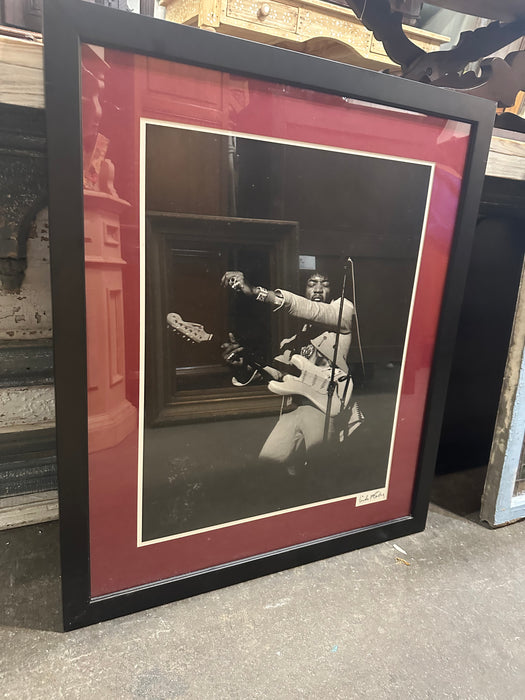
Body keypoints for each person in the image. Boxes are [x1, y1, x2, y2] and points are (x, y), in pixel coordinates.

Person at [220, 270, 363, 470]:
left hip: (325, 409)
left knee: (319, 474)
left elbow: (313, 310)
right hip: (292, 409)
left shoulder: (343, 311)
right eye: (312, 283)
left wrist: (257, 293)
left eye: (325, 283)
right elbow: (277, 375)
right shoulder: (291, 341)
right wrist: (243, 365)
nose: (319, 289)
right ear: (304, 289)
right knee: (265, 469)